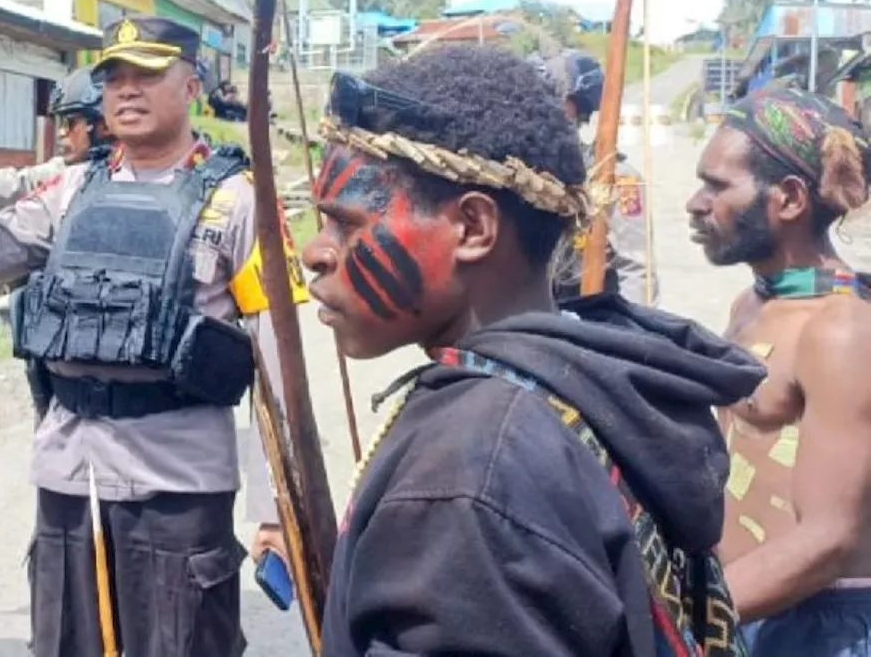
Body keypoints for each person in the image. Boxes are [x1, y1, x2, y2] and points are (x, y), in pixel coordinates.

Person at [302, 45, 764, 656]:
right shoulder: (583, 382)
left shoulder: (469, 471)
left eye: (346, 224)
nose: (315, 251)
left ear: (472, 228)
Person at [0, 15, 306, 657]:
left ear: (194, 86)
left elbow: (279, 367)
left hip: (179, 487)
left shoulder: (237, 202)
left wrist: (277, 509)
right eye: (114, 77)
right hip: (70, 481)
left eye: (147, 73)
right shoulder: (72, 191)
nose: (126, 90)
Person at [687, 85, 871, 654]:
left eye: (717, 186)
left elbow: (827, 540)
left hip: (819, 624)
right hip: (745, 606)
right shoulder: (754, 303)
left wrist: (676, 618)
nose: (696, 203)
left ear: (788, 198)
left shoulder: (840, 330)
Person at [529, 48, 658, 305]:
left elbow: (637, 270)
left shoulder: (615, 177)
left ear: (576, 107)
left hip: (590, 312)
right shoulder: (516, 172)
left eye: (551, 99)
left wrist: (624, 340)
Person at [0, 65, 112, 218]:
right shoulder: (68, 173)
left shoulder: (123, 172)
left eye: (70, 123)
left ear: (104, 125)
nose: (61, 133)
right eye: (60, 123)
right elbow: (22, 183)